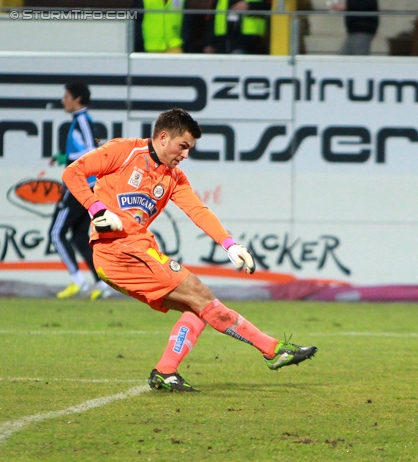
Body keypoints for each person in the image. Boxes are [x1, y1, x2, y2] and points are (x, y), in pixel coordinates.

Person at [61, 108, 318, 392]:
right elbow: (72, 172)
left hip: (133, 254)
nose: (185, 154)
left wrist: (229, 244)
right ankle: (272, 350)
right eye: (183, 146)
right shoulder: (123, 151)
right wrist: (97, 209)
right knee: (201, 295)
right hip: (119, 251)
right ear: (162, 137)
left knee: (200, 309)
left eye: (189, 149)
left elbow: (198, 211)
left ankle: (166, 371)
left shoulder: (174, 177)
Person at [48, 82, 111, 301]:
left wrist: (68, 159)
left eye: (66, 96)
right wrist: (65, 157)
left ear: (76, 99)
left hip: (80, 186)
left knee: (56, 233)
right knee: (79, 238)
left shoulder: (82, 120)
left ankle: (77, 281)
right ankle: (102, 284)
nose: (63, 100)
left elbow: (93, 150)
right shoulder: (81, 121)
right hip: (89, 187)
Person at [202, 0, 270, 54]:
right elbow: (212, 18)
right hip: (221, 43)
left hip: (249, 42)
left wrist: (249, 6)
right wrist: (209, 42)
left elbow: (271, 7)